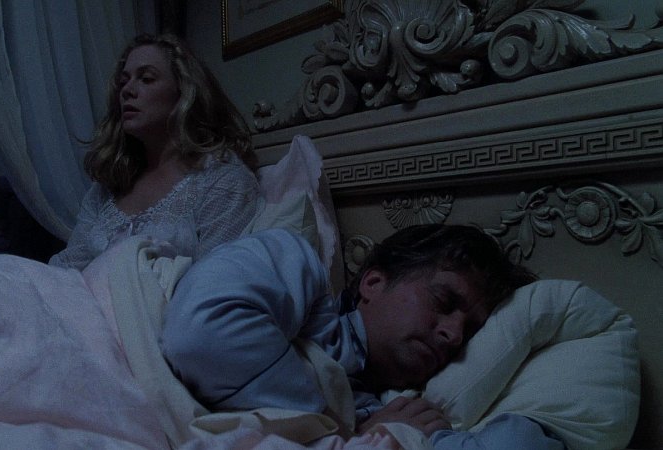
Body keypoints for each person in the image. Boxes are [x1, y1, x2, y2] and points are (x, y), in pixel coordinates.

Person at [161, 225, 565, 448]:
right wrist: (339, 429)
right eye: (443, 302)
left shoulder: (392, 411)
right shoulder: (295, 266)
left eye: (471, 330)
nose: (454, 334)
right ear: (373, 282)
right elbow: (200, 335)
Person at [50, 33, 261, 270]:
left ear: (183, 92)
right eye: (123, 81)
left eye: (146, 79)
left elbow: (216, 279)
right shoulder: (108, 186)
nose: (127, 90)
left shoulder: (222, 179)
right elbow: (68, 266)